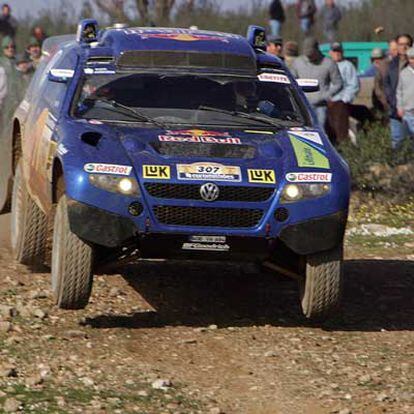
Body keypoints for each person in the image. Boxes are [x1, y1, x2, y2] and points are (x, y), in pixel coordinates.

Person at [290, 37, 342, 130]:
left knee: (319, 131)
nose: (309, 56)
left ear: (317, 49)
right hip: (302, 106)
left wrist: (326, 95)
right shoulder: (297, 63)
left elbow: (338, 83)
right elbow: (291, 81)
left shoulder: (329, 63)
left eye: (311, 54)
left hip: (320, 106)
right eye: (307, 54)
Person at [384, 33, 413, 149]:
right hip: (395, 109)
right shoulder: (390, 64)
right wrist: (394, 103)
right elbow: (386, 85)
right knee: (397, 139)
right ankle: (397, 164)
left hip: (411, 109)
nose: (404, 47)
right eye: (401, 44)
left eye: (407, 44)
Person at [327, 42, 360, 143]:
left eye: (339, 51)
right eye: (335, 51)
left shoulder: (348, 66)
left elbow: (354, 85)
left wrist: (344, 99)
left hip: (340, 103)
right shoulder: (326, 64)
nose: (337, 53)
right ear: (330, 52)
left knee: (341, 132)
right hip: (325, 102)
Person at [397, 47, 414, 138]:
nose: (413, 61)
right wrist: (399, 107)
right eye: (411, 58)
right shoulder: (403, 73)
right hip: (408, 112)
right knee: (408, 138)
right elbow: (399, 91)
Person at [371, 48, 389, 117]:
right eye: (374, 59)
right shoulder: (370, 71)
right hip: (378, 101)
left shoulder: (388, 69)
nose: (377, 60)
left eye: (379, 58)